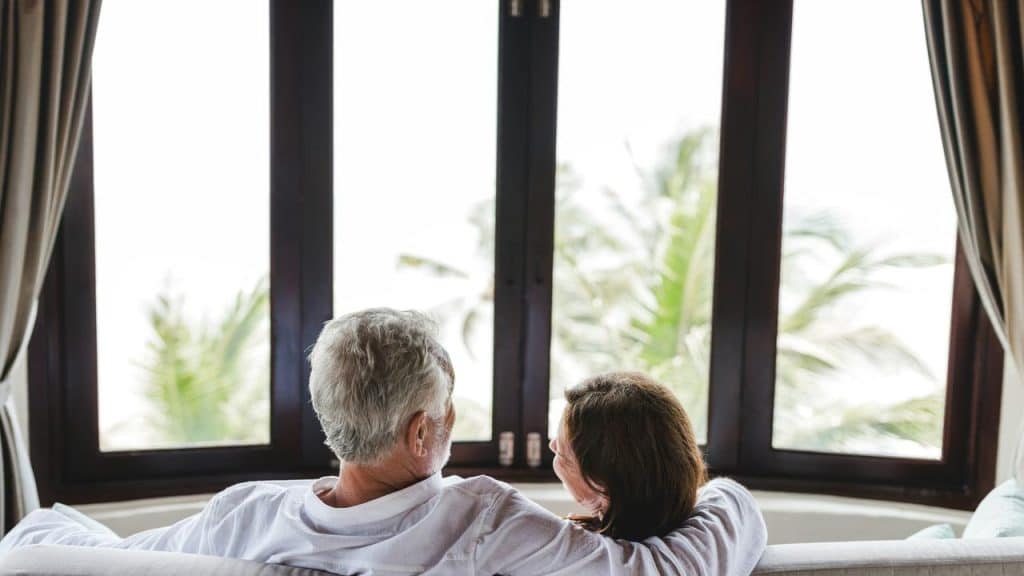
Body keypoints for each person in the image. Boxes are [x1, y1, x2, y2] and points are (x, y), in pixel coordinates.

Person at [0, 308, 767, 575]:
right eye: (449, 406)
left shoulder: (241, 516)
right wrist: (727, 490)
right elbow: (667, 570)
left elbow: (88, 558)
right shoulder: (481, 524)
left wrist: (35, 530)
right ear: (421, 432)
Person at [550, 371, 708, 541]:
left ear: (603, 487)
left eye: (561, 453)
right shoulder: (702, 517)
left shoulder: (590, 557)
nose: (551, 446)